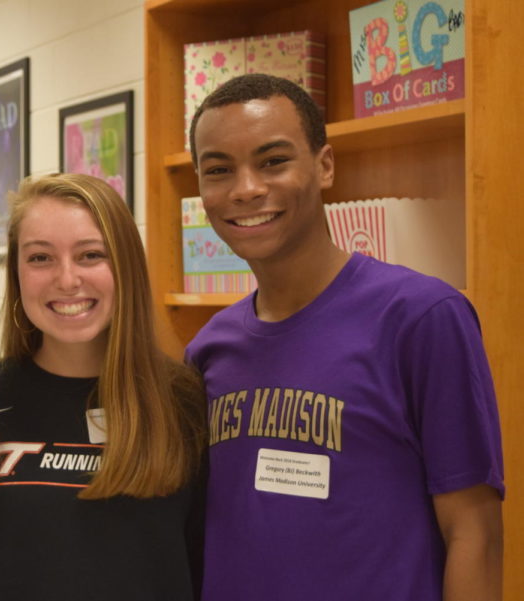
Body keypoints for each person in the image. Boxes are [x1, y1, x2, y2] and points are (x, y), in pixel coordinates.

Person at [186, 73, 504, 601]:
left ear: (325, 165)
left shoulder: (423, 318)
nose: (246, 189)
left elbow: (475, 534)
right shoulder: (208, 349)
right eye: (218, 170)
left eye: (273, 161)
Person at [0, 173, 207, 600]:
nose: (67, 279)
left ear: (125, 266)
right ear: (16, 273)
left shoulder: (183, 399)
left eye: (91, 255)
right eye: (40, 258)